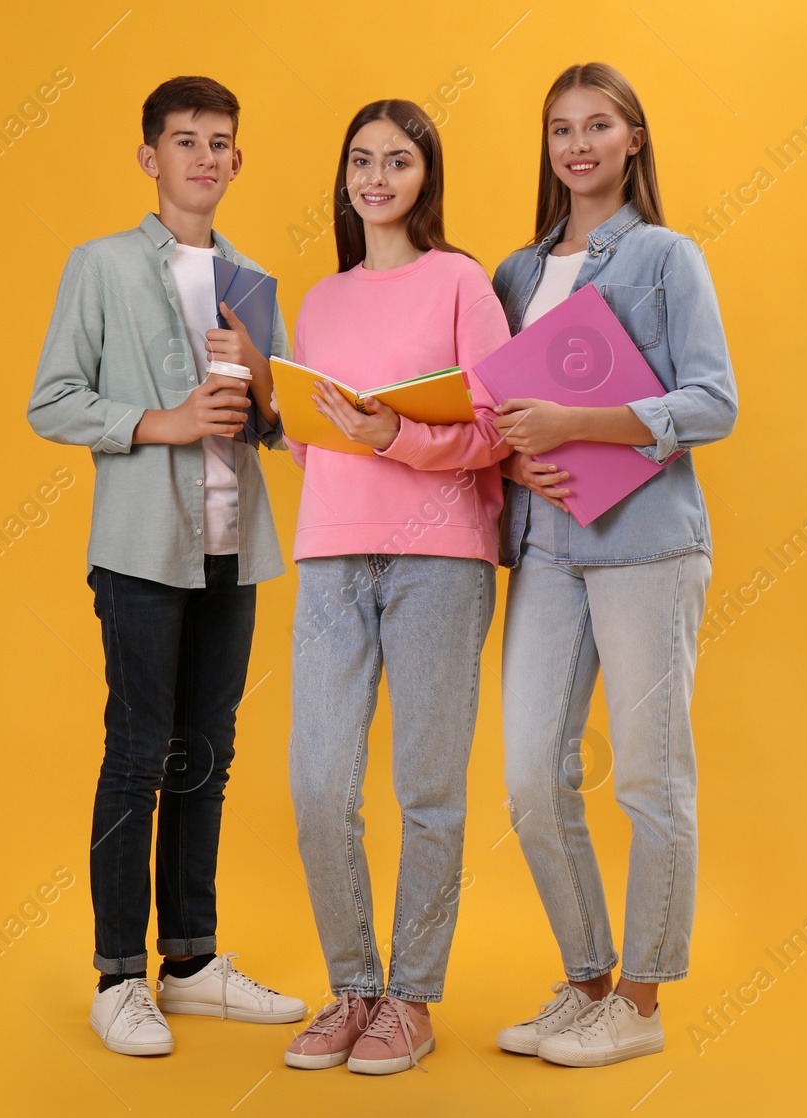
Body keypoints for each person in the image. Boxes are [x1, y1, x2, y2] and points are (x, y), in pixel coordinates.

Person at [26, 74, 307, 1058]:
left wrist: (269, 394)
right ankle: (117, 975)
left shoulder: (254, 281)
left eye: (220, 140)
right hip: (142, 551)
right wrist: (161, 422)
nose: (203, 156)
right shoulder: (100, 265)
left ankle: (189, 963)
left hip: (235, 550)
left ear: (238, 158)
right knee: (138, 755)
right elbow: (52, 399)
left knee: (209, 755)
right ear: (150, 157)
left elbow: (276, 430)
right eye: (183, 140)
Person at [489, 61, 738, 1068]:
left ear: (633, 139)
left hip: (646, 544)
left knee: (647, 773)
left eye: (599, 125)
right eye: (560, 128)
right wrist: (515, 445)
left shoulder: (668, 257)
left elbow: (712, 401)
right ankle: (586, 982)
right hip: (546, 548)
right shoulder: (513, 271)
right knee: (527, 777)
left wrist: (575, 420)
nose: (577, 144)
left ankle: (639, 999)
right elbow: (493, 413)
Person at [279, 99, 511, 1075]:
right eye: (362, 160)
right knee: (319, 782)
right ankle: (352, 986)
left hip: (440, 558)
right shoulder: (320, 298)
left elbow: (502, 424)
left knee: (426, 788)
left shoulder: (462, 280)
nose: (376, 177)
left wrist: (397, 437)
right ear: (344, 178)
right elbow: (303, 435)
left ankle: (409, 995)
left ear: (426, 177)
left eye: (398, 161)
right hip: (330, 552)